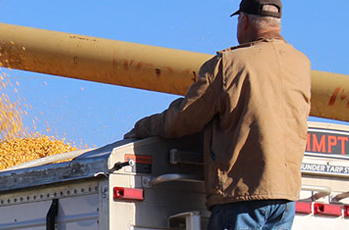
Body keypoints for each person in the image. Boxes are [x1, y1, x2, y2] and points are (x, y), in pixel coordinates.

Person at [123, 0, 310, 229]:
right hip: (285, 197)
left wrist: (143, 127)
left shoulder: (229, 64)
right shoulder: (300, 64)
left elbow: (184, 119)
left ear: (243, 20)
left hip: (242, 194)